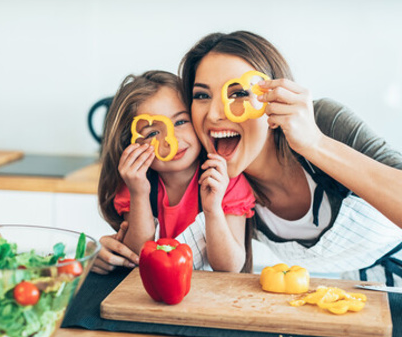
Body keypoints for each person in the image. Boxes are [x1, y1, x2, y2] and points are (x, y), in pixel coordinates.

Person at [178, 30, 402, 286]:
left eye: (239, 93)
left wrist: (315, 143)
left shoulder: (324, 124)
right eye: (202, 95)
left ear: (273, 99)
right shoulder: (220, 191)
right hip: (361, 291)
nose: (215, 114)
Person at [94, 70, 255, 274]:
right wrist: (139, 193)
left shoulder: (225, 180)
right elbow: (135, 255)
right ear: (131, 144)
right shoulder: (135, 184)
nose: (172, 139)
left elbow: (229, 266)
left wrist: (213, 209)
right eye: (153, 132)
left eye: (180, 122)